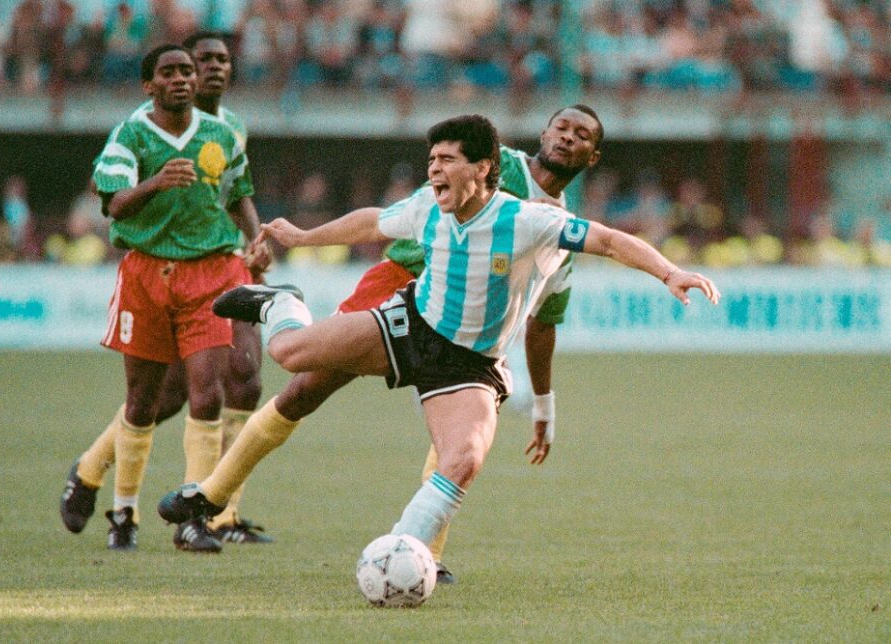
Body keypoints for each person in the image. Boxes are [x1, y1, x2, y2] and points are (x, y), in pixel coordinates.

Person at [158, 115, 720, 576]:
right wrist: (304, 237)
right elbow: (377, 222)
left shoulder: (542, 224)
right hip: (407, 305)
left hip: (470, 355)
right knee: (300, 379)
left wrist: (667, 273)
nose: (568, 137)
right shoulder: (479, 171)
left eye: (582, 134)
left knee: (462, 452)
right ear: (538, 136)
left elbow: (576, 283)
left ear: (593, 156)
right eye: (562, 126)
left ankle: (411, 551)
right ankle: (270, 329)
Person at [61, 34, 274, 550]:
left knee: (237, 379)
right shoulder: (136, 130)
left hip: (219, 265)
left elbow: (237, 192)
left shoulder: (229, 129)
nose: (205, 71)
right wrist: (155, 182)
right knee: (159, 396)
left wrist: (257, 241)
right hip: (154, 270)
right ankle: (95, 475)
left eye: (218, 61)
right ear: (152, 83)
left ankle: (212, 515)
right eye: (196, 63)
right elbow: (112, 199)